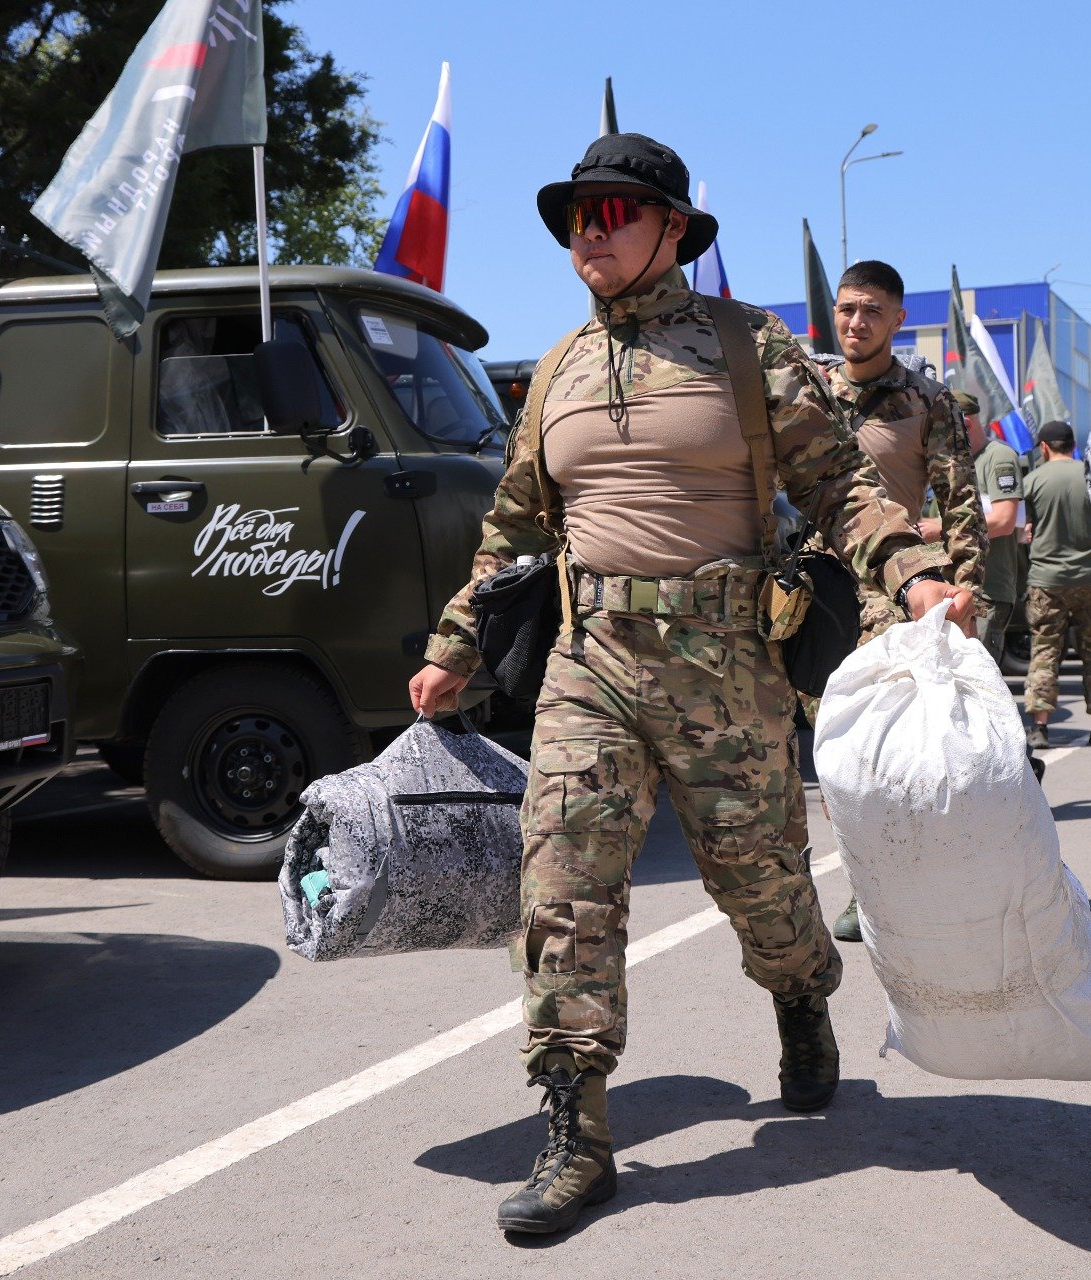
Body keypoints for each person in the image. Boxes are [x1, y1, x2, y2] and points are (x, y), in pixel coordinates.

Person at [407, 133, 973, 1237]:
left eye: (615, 210)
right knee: (563, 883)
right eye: (578, 214)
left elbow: (843, 486)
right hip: (590, 664)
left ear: (673, 228)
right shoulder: (560, 367)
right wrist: (453, 646)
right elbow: (513, 532)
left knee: (763, 887)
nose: (590, 230)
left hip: (728, 668)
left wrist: (914, 574)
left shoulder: (744, 343)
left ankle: (802, 994)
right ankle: (577, 1129)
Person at [813, 259, 987, 945]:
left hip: (891, 592)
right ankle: (858, 870)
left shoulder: (927, 403)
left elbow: (962, 501)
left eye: (871, 311)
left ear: (896, 318)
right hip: (810, 588)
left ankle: (875, 888)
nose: (856, 323)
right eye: (847, 309)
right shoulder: (809, 392)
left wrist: (969, 588)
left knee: (878, 746)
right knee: (826, 751)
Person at [1021, 421, 1091, 748]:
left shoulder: (1033, 480)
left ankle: (1040, 727)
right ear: (1071, 444)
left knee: (1045, 652)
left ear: (1045, 447)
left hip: (1047, 580)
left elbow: (1026, 530)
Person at [962, 389, 1028, 667]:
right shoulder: (956, 461)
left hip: (987, 592)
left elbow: (1003, 520)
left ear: (965, 423)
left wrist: (941, 529)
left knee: (980, 679)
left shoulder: (998, 457)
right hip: (959, 587)